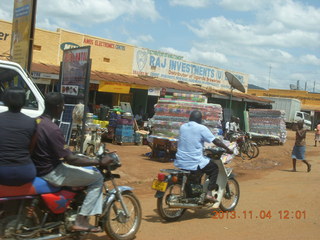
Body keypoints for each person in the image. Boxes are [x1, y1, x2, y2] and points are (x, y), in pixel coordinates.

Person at [31, 92, 113, 232]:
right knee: (97, 178)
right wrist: (98, 161)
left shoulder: (36, 122)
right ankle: (81, 220)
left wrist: (75, 155)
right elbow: (71, 160)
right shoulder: (53, 129)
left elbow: (60, 152)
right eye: (62, 105)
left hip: (37, 168)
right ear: (57, 107)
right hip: (52, 172)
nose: (63, 109)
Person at [174, 110, 233, 202]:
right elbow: (215, 141)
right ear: (200, 119)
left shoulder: (182, 127)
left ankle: (196, 191)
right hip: (193, 161)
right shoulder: (201, 128)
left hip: (180, 161)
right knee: (214, 168)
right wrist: (227, 149)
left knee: (201, 168)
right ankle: (209, 194)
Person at [0, 87, 37, 186]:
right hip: (26, 172)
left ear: (5, 100)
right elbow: (31, 149)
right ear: (24, 101)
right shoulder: (32, 122)